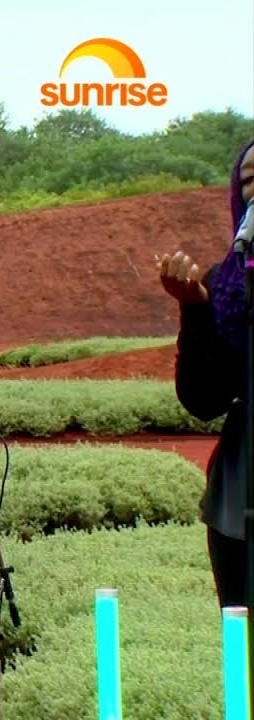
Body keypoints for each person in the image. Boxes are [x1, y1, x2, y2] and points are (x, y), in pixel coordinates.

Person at [159, 138, 254, 610]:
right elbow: (203, 401)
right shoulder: (227, 282)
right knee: (243, 644)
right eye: (249, 180)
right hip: (237, 504)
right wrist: (195, 309)